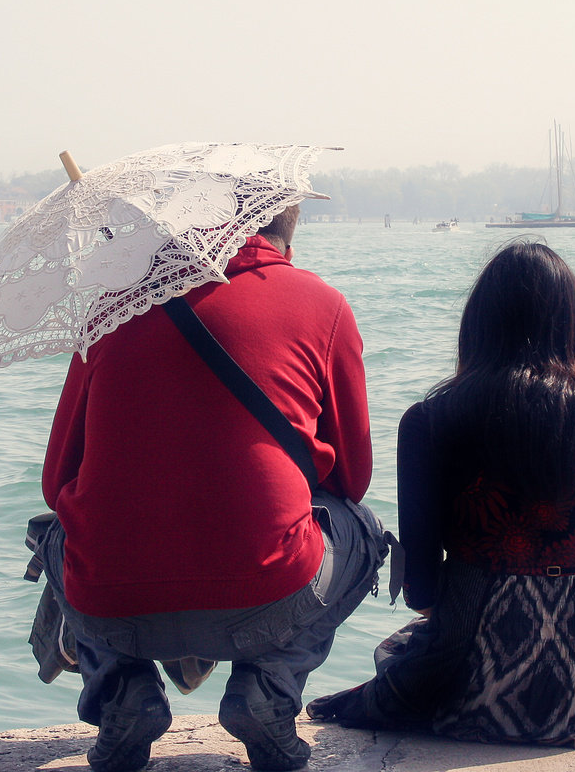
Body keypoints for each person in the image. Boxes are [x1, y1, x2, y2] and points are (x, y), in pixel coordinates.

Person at [38, 205, 386, 772]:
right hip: (271, 591)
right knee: (365, 532)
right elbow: (353, 479)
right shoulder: (322, 305)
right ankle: (267, 691)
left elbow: (57, 484)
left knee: (55, 532)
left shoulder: (112, 307)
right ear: (285, 236)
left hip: (112, 602)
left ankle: (120, 689)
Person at [306, 240, 575, 744]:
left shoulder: (429, 421)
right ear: (570, 325)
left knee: (396, 656)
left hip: (473, 688)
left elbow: (423, 588)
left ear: (476, 324)